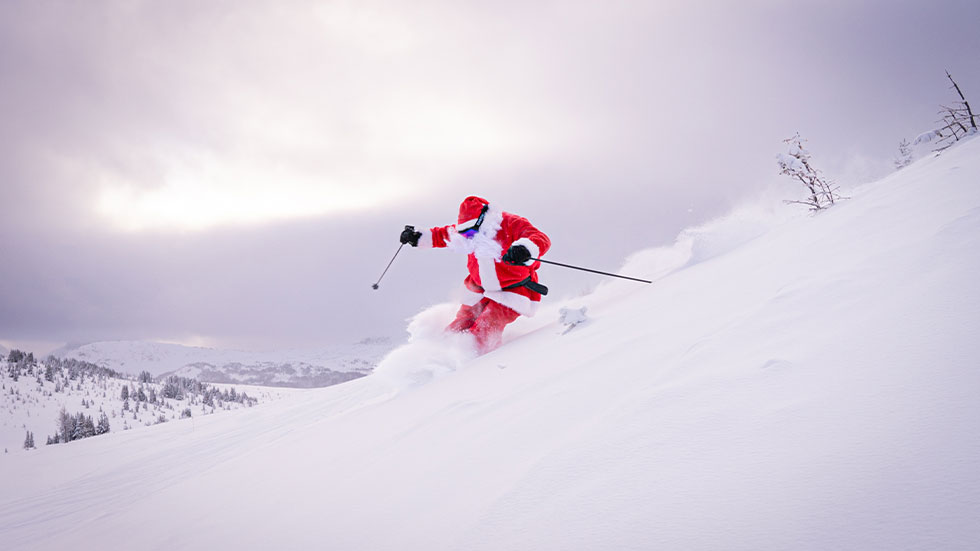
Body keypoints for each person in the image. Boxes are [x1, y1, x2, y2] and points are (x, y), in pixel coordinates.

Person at [400, 196, 551, 353]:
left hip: (513, 290)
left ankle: (476, 363)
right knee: (459, 325)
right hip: (479, 289)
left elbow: (540, 238)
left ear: (483, 220)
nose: (468, 236)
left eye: (471, 231)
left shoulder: (511, 223)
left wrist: (525, 249)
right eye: (465, 233)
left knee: (487, 324)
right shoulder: (467, 233)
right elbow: (443, 235)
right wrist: (417, 237)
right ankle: (436, 358)